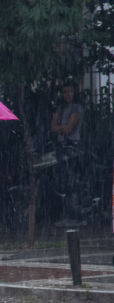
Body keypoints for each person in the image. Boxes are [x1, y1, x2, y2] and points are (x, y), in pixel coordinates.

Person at [50, 81, 85, 226]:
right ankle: (66, 214)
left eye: (70, 92)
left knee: (72, 181)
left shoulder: (77, 108)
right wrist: (62, 127)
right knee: (61, 181)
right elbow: (52, 127)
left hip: (73, 148)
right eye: (64, 92)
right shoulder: (60, 108)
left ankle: (76, 216)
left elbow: (70, 128)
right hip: (61, 147)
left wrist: (62, 127)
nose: (67, 95)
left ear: (74, 92)